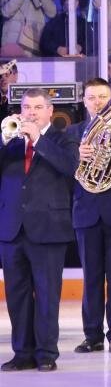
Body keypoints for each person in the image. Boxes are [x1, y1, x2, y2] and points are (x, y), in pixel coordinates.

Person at [0, 89, 79, 372]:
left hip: (48, 229)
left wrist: (38, 139)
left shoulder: (63, 137)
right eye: (26, 107)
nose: (30, 112)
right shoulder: (9, 139)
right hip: (12, 229)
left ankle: (46, 353)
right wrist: (4, 140)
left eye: (36, 107)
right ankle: (22, 353)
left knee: (47, 294)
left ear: (49, 111)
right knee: (17, 294)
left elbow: (70, 167)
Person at [67, 80, 111, 358]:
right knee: (91, 278)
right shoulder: (72, 133)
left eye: (103, 97)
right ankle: (92, 335)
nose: (97, 102)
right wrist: (77, 157)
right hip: (87, 212)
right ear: (84, 101)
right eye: (92, 97)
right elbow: (62, 170)